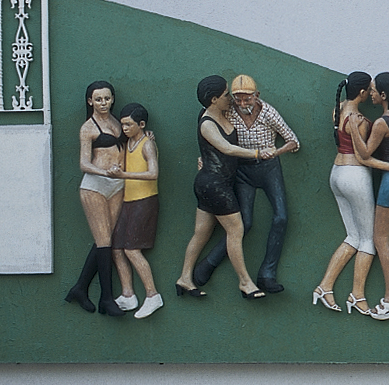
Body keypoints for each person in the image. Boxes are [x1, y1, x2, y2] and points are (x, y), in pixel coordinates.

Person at [191, 73, 301, 294]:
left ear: (256, 96)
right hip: (241, 169)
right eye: (237, 98)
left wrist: (274, 152)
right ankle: (208, 264)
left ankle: (267, 274)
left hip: (269, 168)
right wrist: (206, 156)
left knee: (281, 216)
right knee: (244, 223)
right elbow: (212, 133)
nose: (242, 103)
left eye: (247, 98)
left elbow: (293, 141)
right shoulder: (227, 111)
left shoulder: (268, 112)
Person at [173, 75, 272, 301]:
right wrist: (258, 153)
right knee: (236, 230)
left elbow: (208, 150)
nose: (229, 97)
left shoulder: (220, 113)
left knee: (201, 233)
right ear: (214, 99)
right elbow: (226, 148)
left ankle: (184, 279)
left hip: (214, 182)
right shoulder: (207, 122)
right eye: (226, 94)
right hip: (214, 186)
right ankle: (245, 283)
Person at [313, 72, 379, 315]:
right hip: (355, 176)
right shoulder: (359, 119)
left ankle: (325, 286)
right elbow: (364, 155)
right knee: (368, 241)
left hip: (336, 174)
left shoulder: (338, 108)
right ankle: (357, 296)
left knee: (352, 236)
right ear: (362, 93)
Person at [64, 80, 129, 317]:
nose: (104, 103)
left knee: (106, 239)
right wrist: (105, 172)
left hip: (118, 185)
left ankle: (80, 288)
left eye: (107, 98)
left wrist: (146, 136)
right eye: (98, 99)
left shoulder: (116, 122)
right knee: (104, 243)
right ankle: (106, 299)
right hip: (95, 187)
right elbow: (83, 163)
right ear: (90, 100)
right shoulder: (88, 128)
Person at [356, 72, 389, 321]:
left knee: (380, 240)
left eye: (374, 90)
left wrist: (352, 126)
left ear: (384, 95)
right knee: (382, 239)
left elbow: (366, 154)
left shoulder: (381, 123)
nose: (372, 93)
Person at [111, 103, 162, 319]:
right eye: (122, 124)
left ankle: (153, 296)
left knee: (132, 250)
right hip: (129, 201)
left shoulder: (146, 144)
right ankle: (128, 295)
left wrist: (124, 175)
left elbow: (153, 174)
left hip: (145, 201)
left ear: (141, 124)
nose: (124, 128)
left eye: (129, 124)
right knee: (117, 247)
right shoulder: (129, 142)